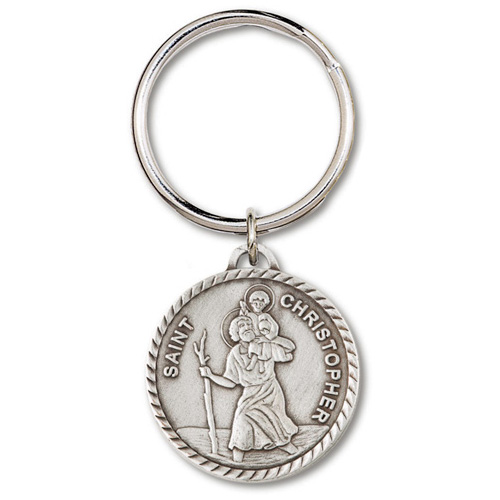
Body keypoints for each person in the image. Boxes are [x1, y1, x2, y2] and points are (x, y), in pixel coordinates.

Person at [200, 314, 299, 462]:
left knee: (274, 426)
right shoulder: (234, 354)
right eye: (242, 326)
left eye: (249, 325)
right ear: (236, 333)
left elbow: (289, 349)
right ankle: (236, 464)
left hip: (269, 392)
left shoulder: (264, 345)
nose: (247, 328)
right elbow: (231, 382)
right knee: (241, 422)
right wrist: (211, 375)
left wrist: (273, 338)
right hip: (250, 394)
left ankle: (294, 453)